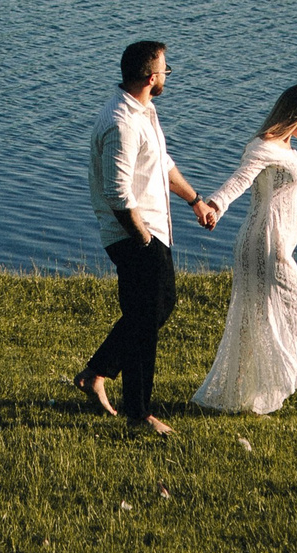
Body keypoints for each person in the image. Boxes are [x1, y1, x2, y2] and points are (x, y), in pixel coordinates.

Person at [76, 40, 216, 436]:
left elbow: (162, 165)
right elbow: (118, 193)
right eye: (165, 70)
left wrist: (196, 202)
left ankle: (96, 373)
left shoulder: (144, 112)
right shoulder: (121, 122)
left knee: (154, 309)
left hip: (150, 230)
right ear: (150, 77)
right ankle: (139, 414)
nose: (167, 76)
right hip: (134, 235)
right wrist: (142, 241)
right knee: (145, 319)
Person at [192, 84, 297, 416]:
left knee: (255, 318)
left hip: (271, 241)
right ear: (292, 115)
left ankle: (233, 395)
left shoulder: (285, 148)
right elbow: (240, 181)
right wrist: (214, 206)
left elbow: (279, 192)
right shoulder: (264, 146)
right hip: (266, 245)